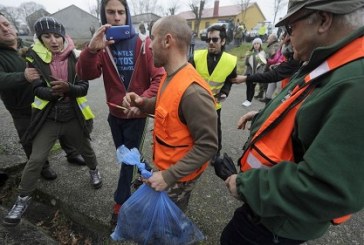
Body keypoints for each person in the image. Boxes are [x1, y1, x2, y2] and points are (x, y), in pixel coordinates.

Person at [221, 0, 364, 244]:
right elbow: (313, 114)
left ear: (322, 20)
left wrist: (246, 186)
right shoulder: (334, 62)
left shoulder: (356, 82)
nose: (286, 39)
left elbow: (327, 188)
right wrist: (265, 117)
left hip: (276, 224)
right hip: (271, 211)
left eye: (290, 28)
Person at [3, 16, 103, 227]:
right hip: (48, 118)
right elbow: (37, 88)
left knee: (86, 149)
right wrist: (53, 93)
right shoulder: (33, 56)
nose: (54, 40)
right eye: (47, 36)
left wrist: (69, 89)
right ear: (40, 38)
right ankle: (22, 199)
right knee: (36, 159)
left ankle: (94, 171)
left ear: (63, 36)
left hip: (73, 115)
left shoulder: (76, 56)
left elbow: (83, 87)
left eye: (57, 35)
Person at [75, 0, 164, 225]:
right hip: (114, 114)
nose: (116, 17)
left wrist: (142, 101)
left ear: (127, 15)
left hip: (137, 117)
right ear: (104, 16)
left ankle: (121, 202)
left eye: (121, 12)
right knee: (126, 155)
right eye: (111, 12)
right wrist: (92, 49)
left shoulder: (144, 44)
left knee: (127, 161)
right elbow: (85, 74)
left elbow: (159, 77)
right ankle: (148, 171)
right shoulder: (102, 46)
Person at [123, 15, 218, 212]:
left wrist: (168, 176)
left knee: (168, 222)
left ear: (167, 41)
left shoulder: (193, 92)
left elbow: (208, 146)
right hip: (167, 168)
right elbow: (164, 104)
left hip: (178, 177)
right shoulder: (170, 75)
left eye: (152, 38)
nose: (149, 46)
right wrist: (142, 103)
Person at [0, 13, 85, 182]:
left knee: (61, 125)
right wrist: (22, 76)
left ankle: (72, 153)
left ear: (13, 26)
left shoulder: (32, 45)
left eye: (6, 24)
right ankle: (42, 167)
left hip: (48, 99)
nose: (5, 29)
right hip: (22, 107)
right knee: (29, 136)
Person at [189, 24, 242, 164]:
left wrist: (225, 92)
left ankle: (215, 152)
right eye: (208, 39)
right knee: (192, 127)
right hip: (195, 102)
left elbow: (230, 80)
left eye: (215, 39)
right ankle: (194, 150)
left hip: (214, 103)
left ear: (223, 41)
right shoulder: (196, 56)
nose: (211, 42)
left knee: (215, 129)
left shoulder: (230, 61)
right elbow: (185, 77)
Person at [241, 37, 266, 107]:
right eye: (255, 43)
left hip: (256, 73)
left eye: (258, 43)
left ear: (260, 45)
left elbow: (263, 65)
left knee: (252, 87)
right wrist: (247, 57)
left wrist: (260, 73)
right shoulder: (250, 52)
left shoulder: (262, 53)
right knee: (248, 86)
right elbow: (246, 63)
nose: (256, 45)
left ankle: (249, 100)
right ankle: (247, 99)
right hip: (249, 72)